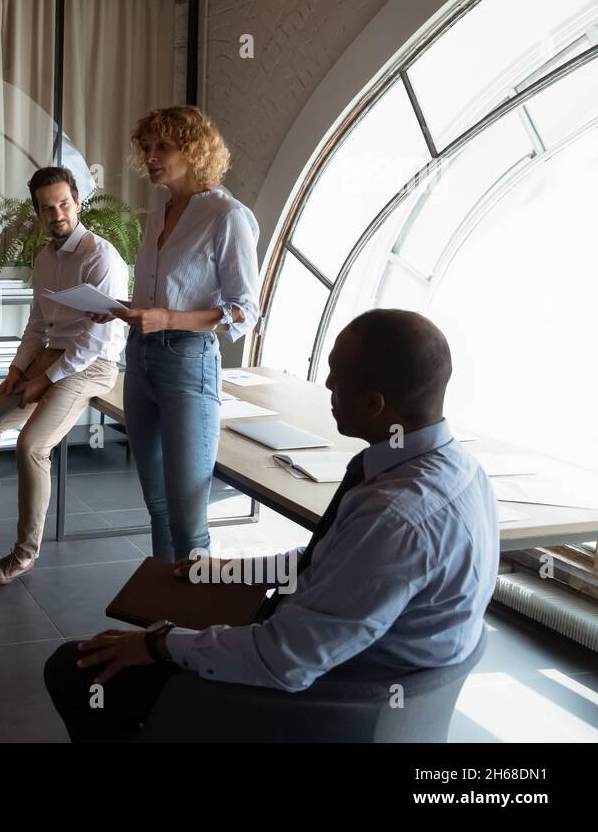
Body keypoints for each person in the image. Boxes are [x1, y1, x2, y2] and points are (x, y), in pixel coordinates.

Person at [44, 309, 499, 742]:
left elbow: (287, 659)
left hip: (323, 701)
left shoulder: (394, 517)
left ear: (374, 403)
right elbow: (326, 564)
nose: (327, 385)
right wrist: (228, 570)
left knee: (75, 670)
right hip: (358, 665)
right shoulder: (460, 469)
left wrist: (160, 645)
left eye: (336, 377)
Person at [89, 106, 260, 562]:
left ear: (194, 149)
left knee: (187, 517)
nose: (150, 156)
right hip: (140, 358)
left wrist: (167, 320)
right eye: (146, 147)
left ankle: (195, 626)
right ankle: (164, 622)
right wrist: (123, 310)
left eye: (161, 146)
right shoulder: (157, 215)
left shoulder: (228, 216)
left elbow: (244, 312)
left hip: (188, 362)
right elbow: (160, 296)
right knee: (159, 506)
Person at [0, 166, 128, 584]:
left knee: (31, 447)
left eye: (64, 203)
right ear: (39, 215)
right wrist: (17, 369)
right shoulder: (43, 258)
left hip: (91, 364)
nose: (58, 213)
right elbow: (37, 325)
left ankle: (23, 556)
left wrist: (44, 380)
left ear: (78, 203)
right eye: (48, 208)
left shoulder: (101, 257)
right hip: (50, 355)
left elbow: (96, 342)